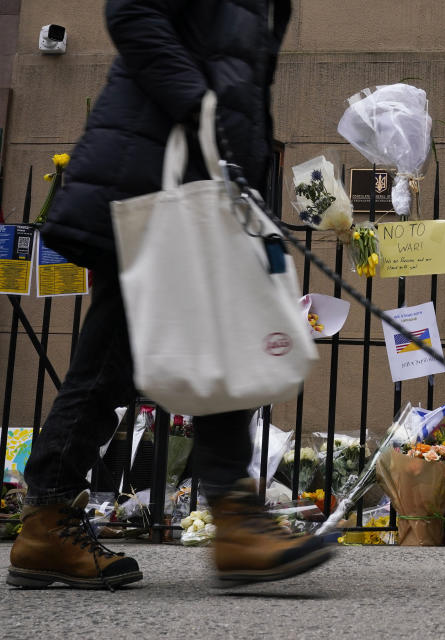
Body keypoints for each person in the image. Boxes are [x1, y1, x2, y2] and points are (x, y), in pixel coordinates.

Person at [7, 0, 332, 590]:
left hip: (194, 178)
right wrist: (199, 105)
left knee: (218, 346)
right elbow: (132, 11)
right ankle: (50, 519)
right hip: (153, 177)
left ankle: (235, 522)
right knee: (112, 359)